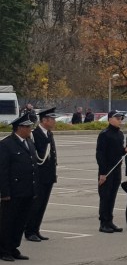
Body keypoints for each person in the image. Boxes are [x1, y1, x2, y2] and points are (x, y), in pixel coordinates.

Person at [0, 114, 38, 261]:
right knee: (8, 222)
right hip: (13, 192)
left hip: (27, 190)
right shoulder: (6, 144)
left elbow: (33, 167)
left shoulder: (29, 142)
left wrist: (35, 190)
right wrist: (4, 192)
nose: (30, 129)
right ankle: (3, 250)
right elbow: (2, 170)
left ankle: (13, 247)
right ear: (19, 128)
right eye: (28, 127)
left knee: (21, 222)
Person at [25, 107, 59, 242]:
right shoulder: (35, 134)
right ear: (45, 120)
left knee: (43, 204)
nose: (54, 121)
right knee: (35, 205)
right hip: (38, 176)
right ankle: (29, 231)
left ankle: (36, 229)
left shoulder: (49, 134)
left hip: (48, 176)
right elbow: (35, 156)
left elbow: (52, 156)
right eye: (52, 119)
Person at [96, 110, 127, 233]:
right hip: (107, 170)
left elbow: (118, 151)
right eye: (117, 118)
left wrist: (126, 150)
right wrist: (102, 173)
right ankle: (103, 222)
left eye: (120, 118)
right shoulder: (104, 134)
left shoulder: (119, 134)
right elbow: (100, 154)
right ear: (110, 119)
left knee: (112, 196)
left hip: (116, 169)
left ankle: (109, 221)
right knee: (105, 196)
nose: (120, 120)